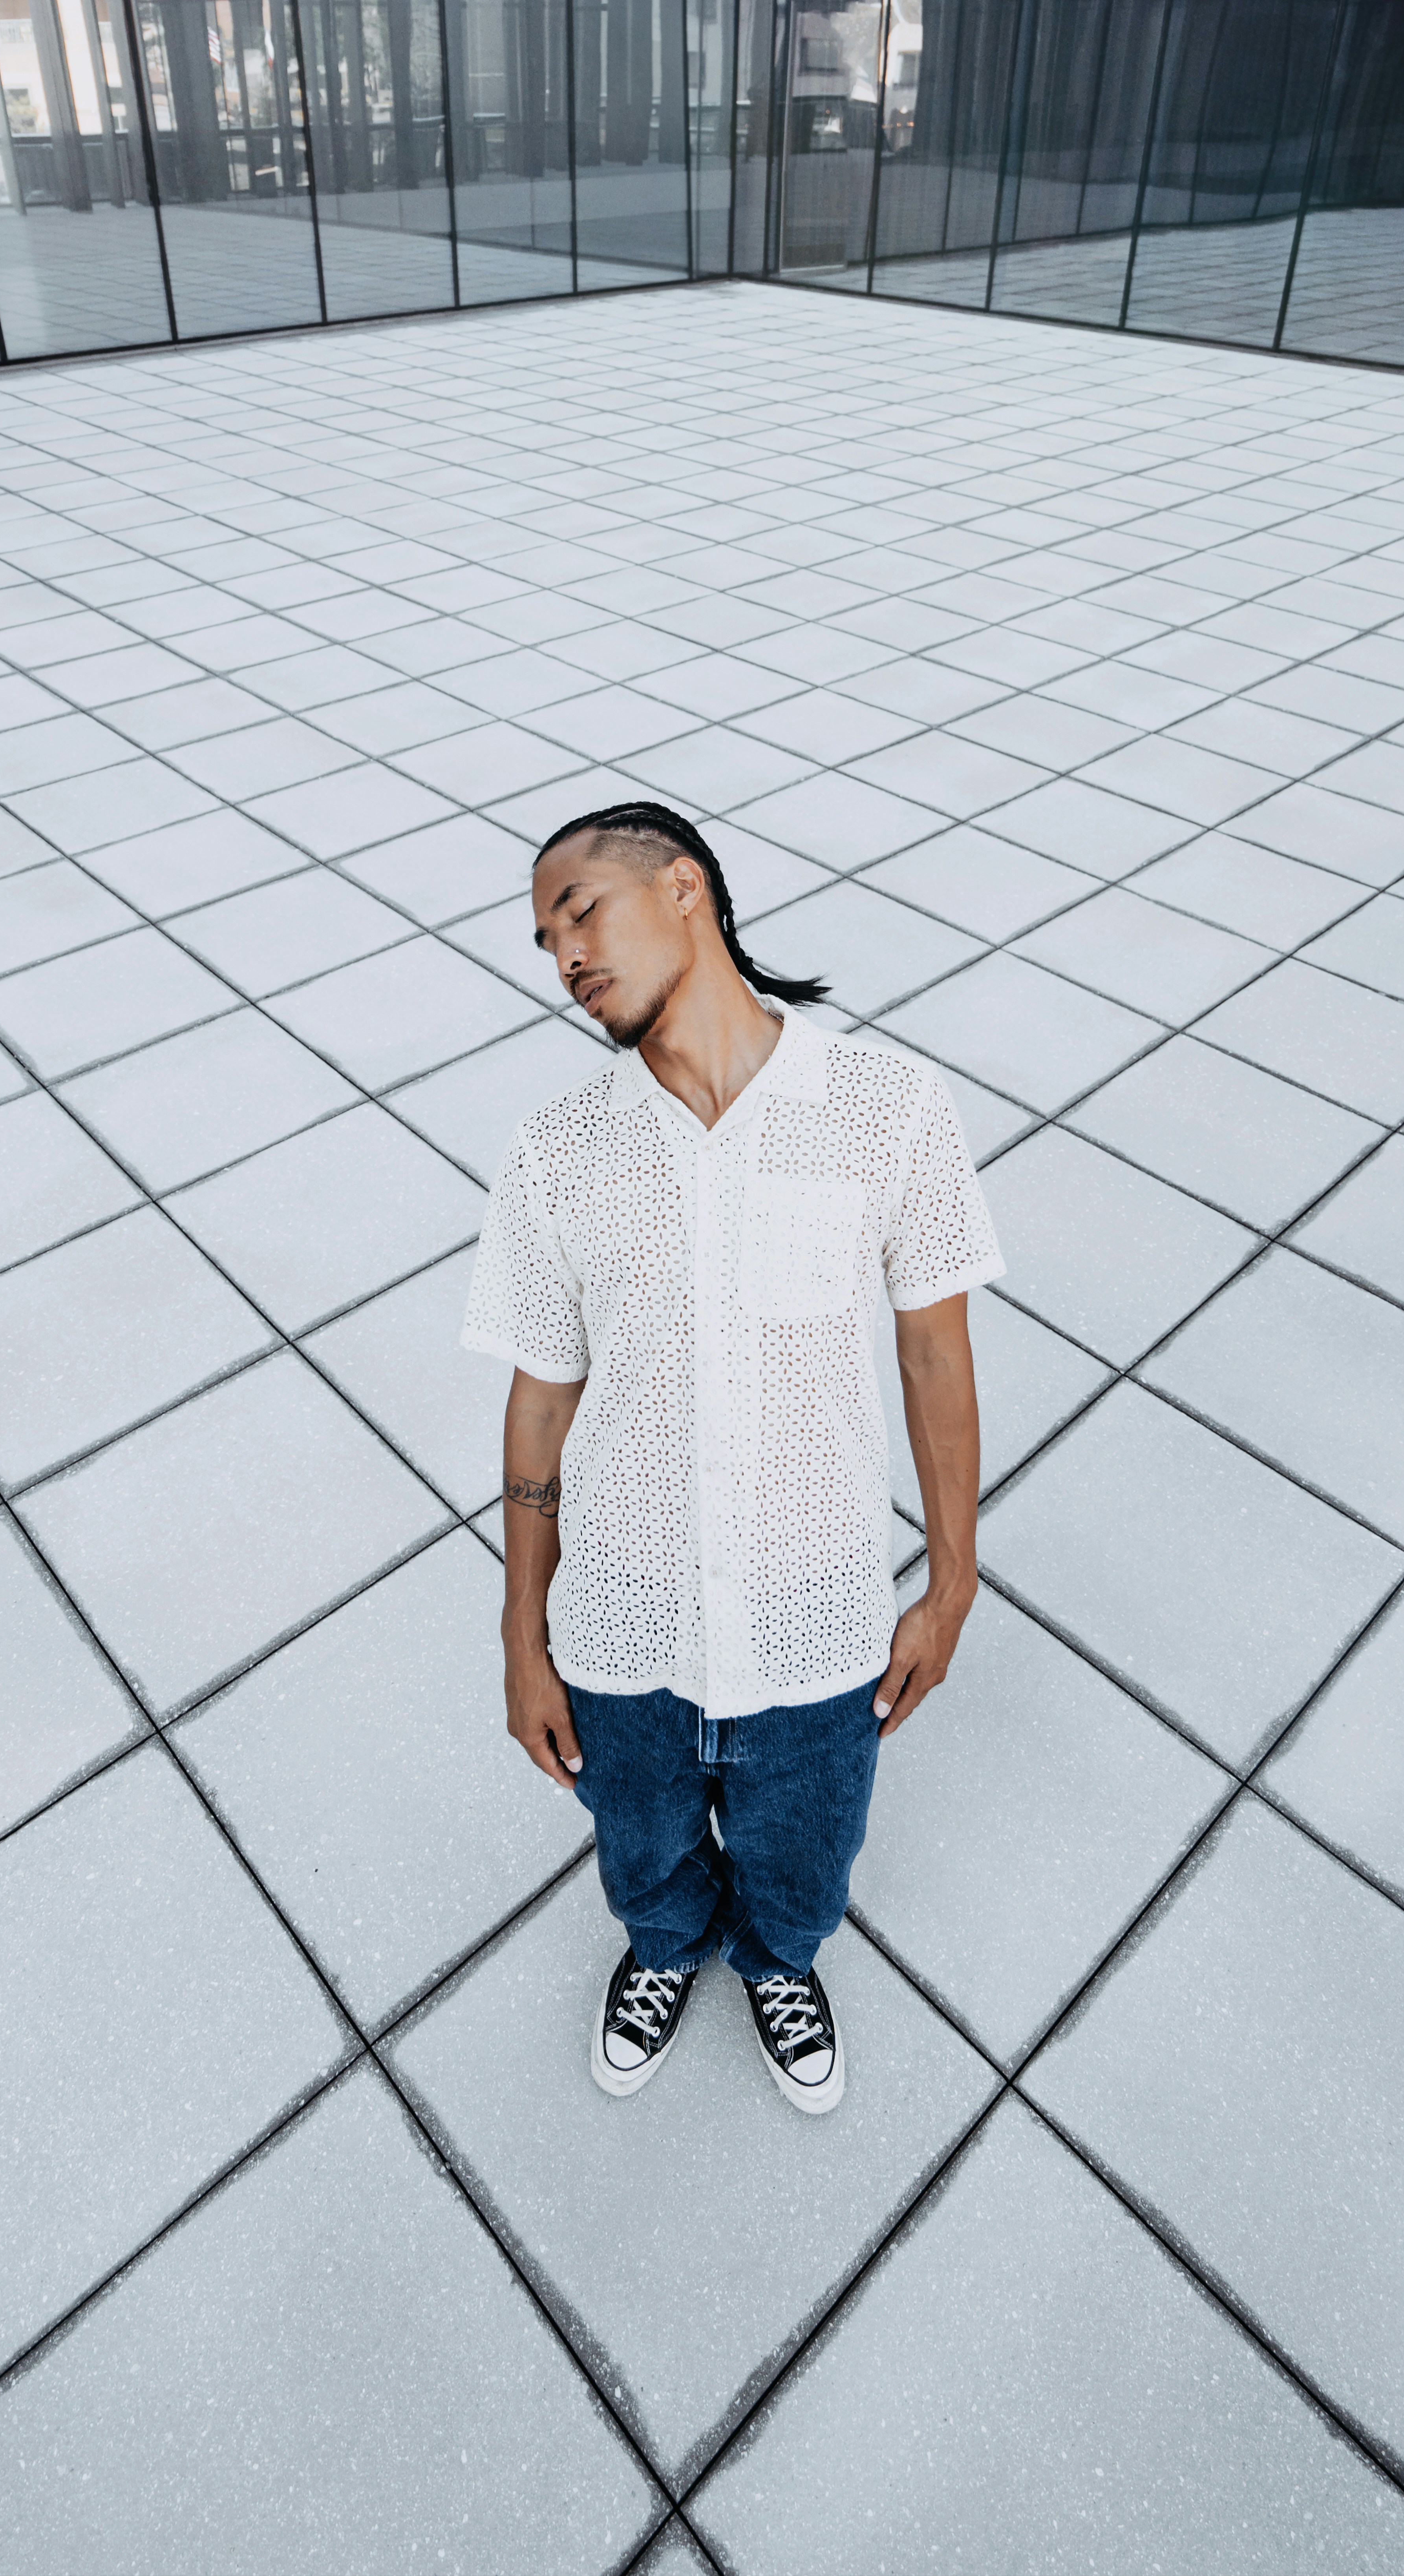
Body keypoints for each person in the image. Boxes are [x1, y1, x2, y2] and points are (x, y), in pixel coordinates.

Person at [462, 799, 1002, 2114]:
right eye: (544, 939)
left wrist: (950, 1580)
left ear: (685, 888)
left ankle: (774, 1958)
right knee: (639, 1854)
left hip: (815, 1615)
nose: (564, 954)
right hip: (622, 1621)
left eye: (579, 908)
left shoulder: (885, 1108)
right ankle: (663, 1949)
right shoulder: (556, 1152)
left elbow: (936, 1356)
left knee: (806, 1858)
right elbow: (539, 1409)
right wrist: (522, 1634)